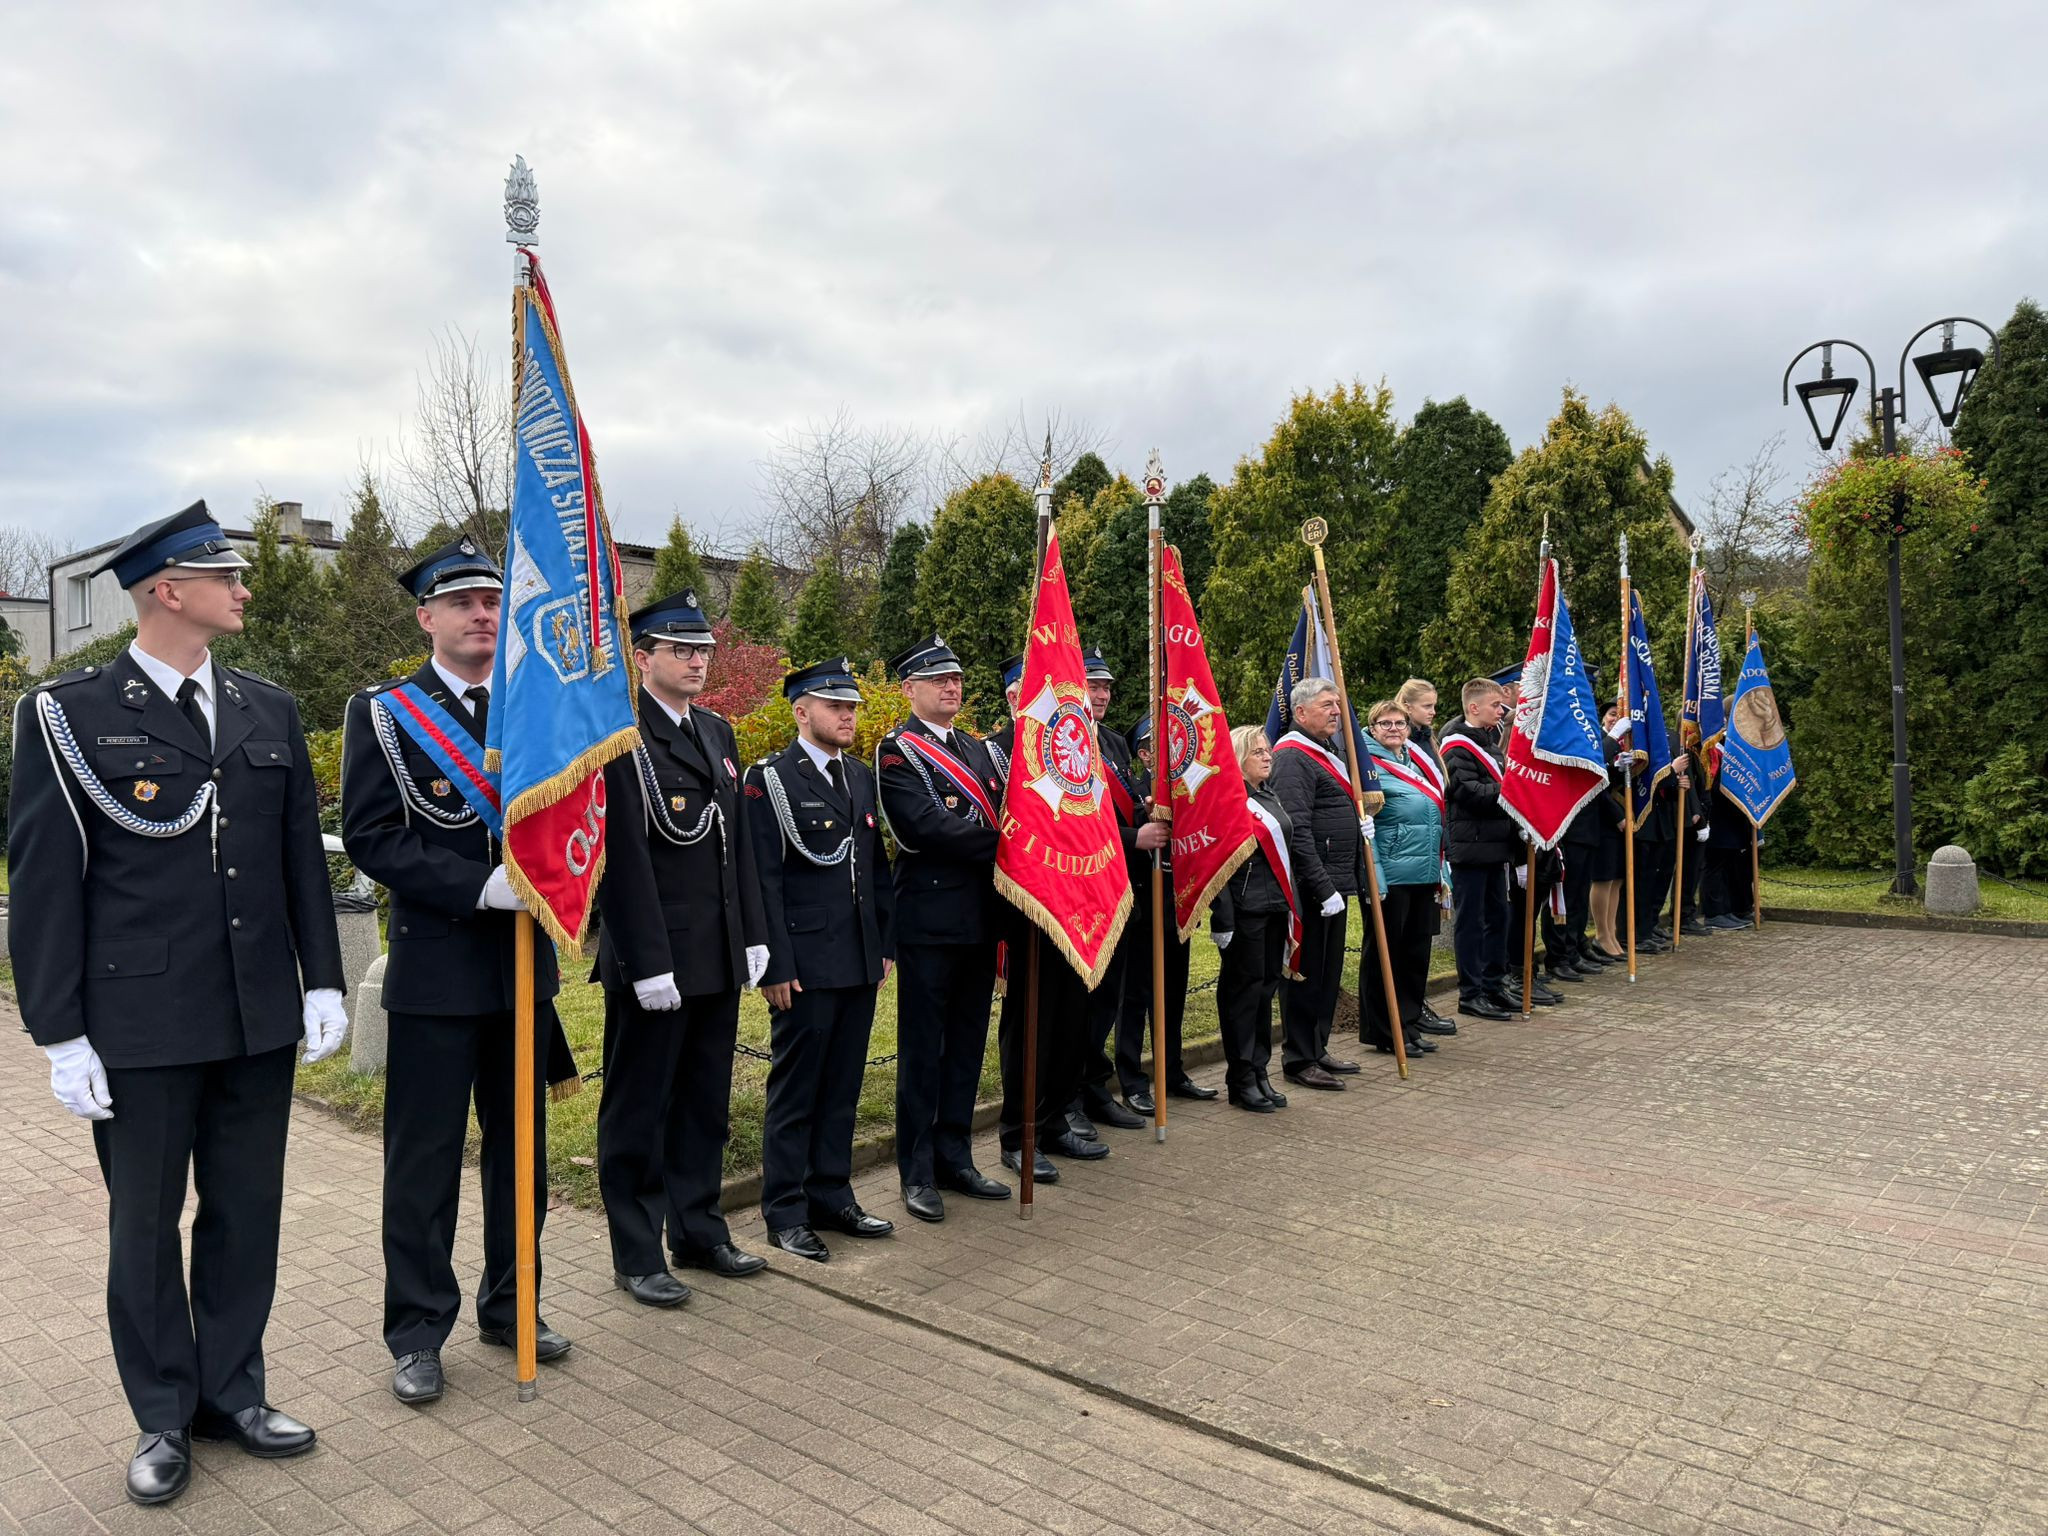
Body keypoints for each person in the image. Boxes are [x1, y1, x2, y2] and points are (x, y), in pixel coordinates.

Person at [8, 502, 345, 1504]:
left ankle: (232, 1393)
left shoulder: (267, 710)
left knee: (246, 1214)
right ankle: (162, 1413)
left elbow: (296, 867)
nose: (244, 589)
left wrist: (319, 978)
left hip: (254, 1017)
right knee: (145, 1226)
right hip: (140, 1023)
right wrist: (59, 1031)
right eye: (224, 574)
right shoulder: (67, 713)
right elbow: (45, 881)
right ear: (166, 589)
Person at [342, 537, 583, 1406]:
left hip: (523, 976)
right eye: (464, 603)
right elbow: (373, 836)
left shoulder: (538, 712)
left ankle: (514, 1307)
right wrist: (480, 886)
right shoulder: (385, 714)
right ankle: (416, 1330)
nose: (483, 614)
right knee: (425, 1165)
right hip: (439, 973)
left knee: (522, 1160)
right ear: (426, 618)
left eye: (492, 601)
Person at [592, 589, 771, 1297]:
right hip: (656, 961)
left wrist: (753, 935)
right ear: (643, 658)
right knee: (639, 1110)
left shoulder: (715, 733)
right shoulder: (619, 735)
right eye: (681, 650)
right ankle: (637, 1253)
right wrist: (643, 960)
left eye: (703, 650)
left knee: (703, 1104)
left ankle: (699, 1232)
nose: (697, 661)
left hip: (715, 955)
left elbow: (739, 850)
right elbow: (622, 859)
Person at [744, 658, 897, 1261]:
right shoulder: (770, 780)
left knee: (842, 1086)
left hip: (858, 957)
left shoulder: (859, 776)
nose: (847, 715)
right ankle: (785, 1209)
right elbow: (763, 878)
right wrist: (775, 965)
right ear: (801, 711)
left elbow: (876, 868)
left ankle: (832, 1192)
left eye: (852, 706)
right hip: (804, 963)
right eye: (835, 706)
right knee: (797, 1090)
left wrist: (885, 944)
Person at [874, 636, 1012, 1220]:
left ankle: (957, 1157)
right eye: (937, 680)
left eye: (955, 678)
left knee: (964, 1048)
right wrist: (1010, 846)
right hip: (929, 922)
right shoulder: (896, 753)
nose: (951, 687)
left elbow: (1009, 807)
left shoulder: (978, 750)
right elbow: (925, 829)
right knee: (923, 1052)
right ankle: (918, 1172)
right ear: (910, 690)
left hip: (980, 918)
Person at [985, 652, 1107, 1192]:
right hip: (1028, 908)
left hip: (1076, 898)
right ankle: (1019, 1134)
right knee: (1029, 1024)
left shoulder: (1077, 744)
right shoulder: (996, 751)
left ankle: (1055, 1119)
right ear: (1015, 697)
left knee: (1070, 1020)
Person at [1073, 649, 1157, 1134]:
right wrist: (1133, 838)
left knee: (1107, 1000)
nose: (1101, 695)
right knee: (1084, 1001)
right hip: (1086, 889)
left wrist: (1149, 814)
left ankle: (1094, 1086)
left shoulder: (1112, 741)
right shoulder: (1063, 740)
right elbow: (1073, 822)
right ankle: (1074, 1092)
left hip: (1123, 887)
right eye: (1092, 685)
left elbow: (1121, 807)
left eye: (1105, 687)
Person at [1269, 677, 1365, 1090]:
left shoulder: (1327, 751)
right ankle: (1298, 1058)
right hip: (1312, 886)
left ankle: (1318, 1046)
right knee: (1305, 974)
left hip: (1334, 880)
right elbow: (1297, 828)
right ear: (1302, 712)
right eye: (1327, 705)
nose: (1336, 713)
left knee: (1328, 971)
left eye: (1337, 706)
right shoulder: (1292, 756)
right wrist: (1323, 886)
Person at [1117, 710, 1214, 1110]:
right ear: (1143, 753)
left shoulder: (1186, 790)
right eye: (1161, 746)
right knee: (1135, 996)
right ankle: (1132, 1080)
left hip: (1178, 901)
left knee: (1173, 991)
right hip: (1142, 905)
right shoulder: (1133, 789)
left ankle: (1172, 1071)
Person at [1209, 725, 1305, 1111]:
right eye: (1258, 752)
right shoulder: (1229, 802)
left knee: (1266, 990)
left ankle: (1260, 1069)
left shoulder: (1267, 794)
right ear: (1238, 759)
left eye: (1268, 751)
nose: (1268, 757)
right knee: (1243, 996)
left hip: (1273, 908)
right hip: (1245, 911)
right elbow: (1220, 866)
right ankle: (1241, 1077)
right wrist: (1224, 920)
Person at [1359, 699, 1450, 1058]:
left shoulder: (1415, 760)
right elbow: (1369, 829)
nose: (1394, 729)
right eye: (1385, 723)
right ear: (1373, 728)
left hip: (1424, 871)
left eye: (1399, 723)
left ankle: (1409, 1023)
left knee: (1415, 955)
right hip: (1392, 875)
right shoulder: (1365, 764)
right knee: (1386, 954)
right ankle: (1384, 1030)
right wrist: (1376, 876)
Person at [1439, 677, 1518, 1021]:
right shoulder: (1456, 746)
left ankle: (1493, 984)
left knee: (1499, 917)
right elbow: (1467, 791)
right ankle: (1470, 993)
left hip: (1495, 845)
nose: (1501, 711)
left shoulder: (1489, 741)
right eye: (1495, 705)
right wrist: (1512, 794)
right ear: (1474, 707)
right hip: (1470, 847)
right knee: (1470, 922)